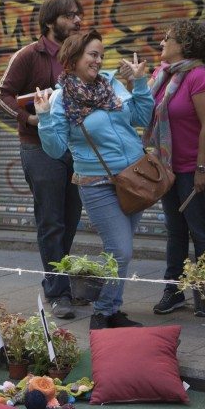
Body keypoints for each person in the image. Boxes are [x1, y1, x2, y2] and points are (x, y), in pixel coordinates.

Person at [34, 30, 152, 329]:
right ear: (73, 58)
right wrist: (45, 117)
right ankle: (102, 312)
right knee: (121, 250)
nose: (99, 61)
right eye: (92, 55)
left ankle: (111, 309)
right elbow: (56, 148)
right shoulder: (61, 99)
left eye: (101, 55)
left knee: (120, 254)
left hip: (134, 179)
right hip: (97, 184)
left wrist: (139, 83)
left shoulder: (110, 84)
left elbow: (141, 117)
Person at [0, 0, 84, 319]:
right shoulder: (29, 55)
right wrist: (29, 118)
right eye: (70, 15)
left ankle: (55, 281)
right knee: (51, 221)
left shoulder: (78, 53)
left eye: (78, 14)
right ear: (50, 22)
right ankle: (59, 291)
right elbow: (2, 94)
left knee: (71, 218)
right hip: (38, 148)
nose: (77, 20)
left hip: (75, 148)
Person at [143, 21, 205, 317]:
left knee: (200, 231)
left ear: (185, 45)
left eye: (168, 38)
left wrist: (201, 168)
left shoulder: (198, 77)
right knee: (175, 231)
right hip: (168, 169)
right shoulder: (161, 76)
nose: (162, 42)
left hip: (194, 167)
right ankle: (172, 291)